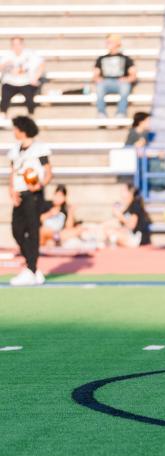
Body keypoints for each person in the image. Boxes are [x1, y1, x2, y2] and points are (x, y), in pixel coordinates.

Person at [7, 116, 52, 286]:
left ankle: (31, 269)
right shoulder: (15, 150)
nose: (14, 132)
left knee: (33, 231)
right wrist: (11, 191)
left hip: (33, 194)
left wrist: (40, 184)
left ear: (22, 130)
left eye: (16, 129)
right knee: (16, 230)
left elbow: (48, 171)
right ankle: (32, 267)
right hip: (19, 194)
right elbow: (12, 173)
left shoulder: (39, 149)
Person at [94, 34, 136, 118]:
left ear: (118, 43)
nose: (108, 44)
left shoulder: (126, 58)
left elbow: (133, 75)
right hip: (106, 82)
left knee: (125, 88)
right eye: (108, 42)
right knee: (99, 87)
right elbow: (95, 74)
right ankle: (101, 113)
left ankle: (121, 113)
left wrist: (127, 79)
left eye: (111, 42)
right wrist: (98, 79)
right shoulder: (101, 58)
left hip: (120, 82)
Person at [0, 37, 44, 118]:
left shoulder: (30, 54)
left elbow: (41, 65)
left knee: (30, 99)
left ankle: (31, 115)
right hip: (10, 82)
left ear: (23, 44)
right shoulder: (7, 55)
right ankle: (3, 114)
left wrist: (35, 78)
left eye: (18, 44)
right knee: (5, 98)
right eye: (14, 44)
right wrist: (5, 64)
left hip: (26, 82)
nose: (16, 46)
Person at [102, 183, 152, 247]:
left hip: (137, 239)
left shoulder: (135, 205)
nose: (121, 193)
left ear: (130, 192)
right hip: (130, 236)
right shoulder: (127, 206)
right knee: (108, 230)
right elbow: (123, 226)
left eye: (123, 191)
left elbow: (131, 225)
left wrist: (119, 215)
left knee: (111, 234)